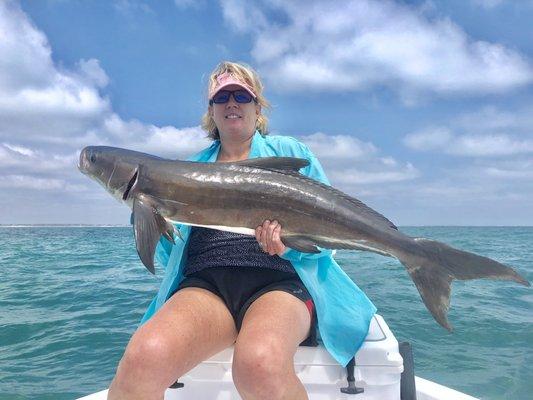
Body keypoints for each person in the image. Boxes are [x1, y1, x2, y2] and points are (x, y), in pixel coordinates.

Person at [108, 61, 376, 400]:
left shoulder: (290, 152)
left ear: (256, 106)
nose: (231, 103)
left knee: (258, 363)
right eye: (222, 97)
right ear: (211, 110)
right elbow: (167, 254)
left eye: (241, 95)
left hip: (279, 282)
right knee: (143, 356)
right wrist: (144, 211)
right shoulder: (189, 168)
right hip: (207, 284)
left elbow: (326, 241)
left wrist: (287, 246)